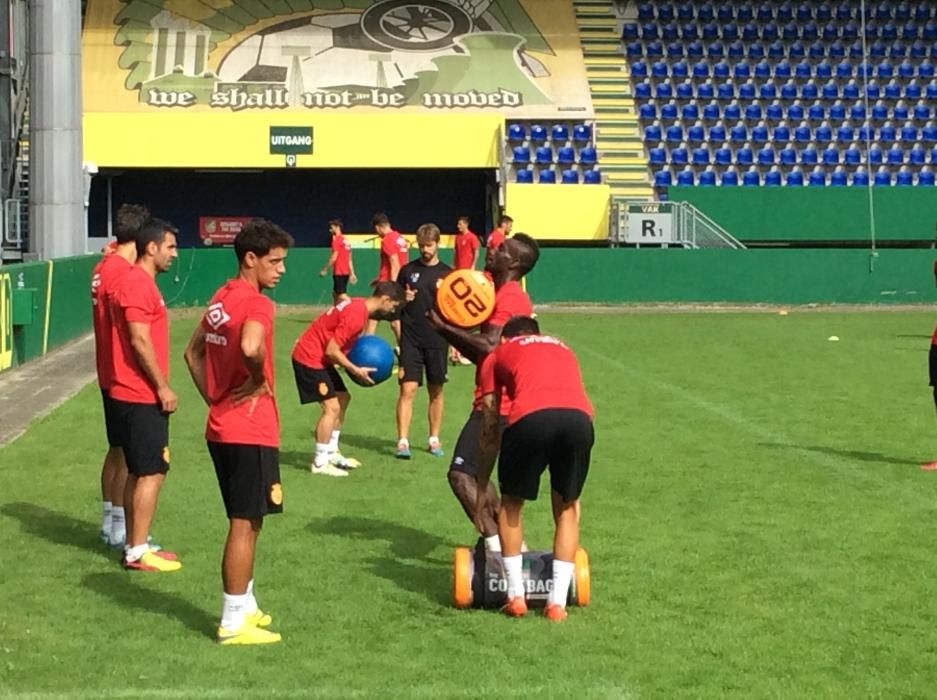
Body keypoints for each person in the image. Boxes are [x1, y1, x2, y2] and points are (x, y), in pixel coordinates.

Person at [184, 219, 293, 645]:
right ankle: (232, 621)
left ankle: (245, 604)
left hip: (222, 426)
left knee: (251, 517)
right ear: (251, 259)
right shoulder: (257, 304)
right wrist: (256, 377)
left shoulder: (222, 297)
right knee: (244, 523)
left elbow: (191, 353)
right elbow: (251, 346)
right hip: (250, 427)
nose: (282, 270)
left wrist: (214, 397)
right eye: (275, 261)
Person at [476, 316, 594, 622]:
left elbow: (489, 420)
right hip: (579, 420)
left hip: (530, 418)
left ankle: (516, 596)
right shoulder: (564, 347)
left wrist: (481, 482)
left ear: (505, 339)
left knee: (512, 504)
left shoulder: (496, 355)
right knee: (567, 507)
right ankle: (557, 604)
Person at [428, 233, 540, 552]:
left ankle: (497, 550)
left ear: (514, 262)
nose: (493, 249)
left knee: (461, 476)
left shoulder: (511, 299)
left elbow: (490, 346)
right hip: (496, 400)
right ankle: (513, 548)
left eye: (502, 249)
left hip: (499, 404)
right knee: (479, 478)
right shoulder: (496, 292)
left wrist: (443, 329)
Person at [108, 218, 180, 572]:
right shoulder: (137, 284)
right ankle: (137, 550)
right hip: (139, 395)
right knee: (151, 471)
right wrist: (162, 386)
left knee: (139, 471)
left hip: (133, 393)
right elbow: (138, 339)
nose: (175, 255)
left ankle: (136, 543)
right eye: (170, 247)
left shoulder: (140, 282)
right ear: (151, 248)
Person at [292, 281, 407, 476]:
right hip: (309, 359)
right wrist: (355, 369)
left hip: (321, 358)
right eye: (393, 307)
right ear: (385, 300)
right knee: (332, 407)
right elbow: (331, 350)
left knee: (343, 398)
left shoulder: (358, 305)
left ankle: (331, 451)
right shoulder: (356, 315)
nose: (391, 312)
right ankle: (320, 462)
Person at [91, 203, 149, 549]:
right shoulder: (121, 274)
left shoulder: (104, 266)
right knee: (127, 455)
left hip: (106, 370)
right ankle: (122, 529)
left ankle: (111, 522)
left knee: (116, 451)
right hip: (121, 374)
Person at [395, 223, 452, 459]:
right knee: (407, 390)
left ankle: (433, 439)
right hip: (411, 339)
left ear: (438, 244)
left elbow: (456, 311)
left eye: (429, 245)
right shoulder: (408, 271)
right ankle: (402, 441)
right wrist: (403, 299)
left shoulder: (449, 274)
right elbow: (394, 305)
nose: (425, 250)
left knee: (436, 390)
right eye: (421, 246)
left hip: (438, 340)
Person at [366, 212, 408, 342]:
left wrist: (393, 288)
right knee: (395, 321)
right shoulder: (399, 238)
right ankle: (405, 351)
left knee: (372, 318)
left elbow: (394, 263)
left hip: (388, 286)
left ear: (378, 227)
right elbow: (403, 262)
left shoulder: (387, 240)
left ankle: (364, 351)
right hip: (395, 283)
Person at [449, 215, 480, 366]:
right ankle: (455, 351)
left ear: (466, 224)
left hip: (468, 273)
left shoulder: (472, 237)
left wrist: (473, 266)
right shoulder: (457, 238)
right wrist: (454, 266)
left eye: (460, 223)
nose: (458, 226)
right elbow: (456, 252)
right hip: (458, 273)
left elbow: (476, 252)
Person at [320, 219, 356, 304]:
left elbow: (334, 257)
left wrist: (325, 269)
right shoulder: (346, 241)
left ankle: (355, 305)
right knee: (335, 293)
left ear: (337, 227)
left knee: (341, 295)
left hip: (339, 272)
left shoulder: (336, 241)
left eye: (331, 228)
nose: (330, 230)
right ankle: (336, 312)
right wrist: (352, 273)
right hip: (345, 272)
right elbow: (349, 259)